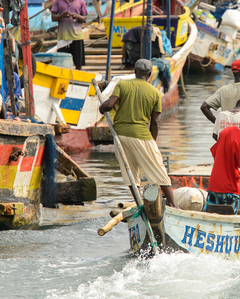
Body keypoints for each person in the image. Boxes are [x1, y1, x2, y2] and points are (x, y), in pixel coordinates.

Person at [99, 59, 179, 209]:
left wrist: (101, 108)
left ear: (135, 72)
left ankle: (139, 204)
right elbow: (155, 122)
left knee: (130, 172)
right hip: (141, 135)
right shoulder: (155, 92)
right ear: (149, 75)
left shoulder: (122, 84)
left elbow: (109, 105)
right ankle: (174, 205)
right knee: (158, 169)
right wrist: (152, 142)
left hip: (120, 135)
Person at [51, 0, 88, 70]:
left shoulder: (81, 1)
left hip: (77, 37)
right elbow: (53, 17)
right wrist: (62, 15)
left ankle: (78, 80)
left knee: (78, 64)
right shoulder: (58, 1)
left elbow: (85, 18)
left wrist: (77, 16)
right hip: (63, 37)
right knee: (62, 64)